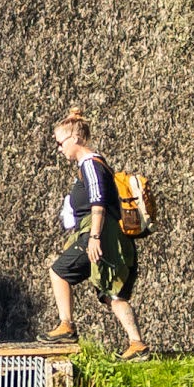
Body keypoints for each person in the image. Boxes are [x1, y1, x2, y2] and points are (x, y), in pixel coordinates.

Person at [47, 110, 148, 357]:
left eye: (61, 143)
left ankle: (66, 326)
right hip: (104, 235)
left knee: (59, 271)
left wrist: (93, 238)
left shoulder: (90, 164)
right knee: (110, 292)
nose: (60, 149)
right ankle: (137, 344)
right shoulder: (91, 164)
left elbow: (98, 203)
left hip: (100, 234)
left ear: (76, 139)